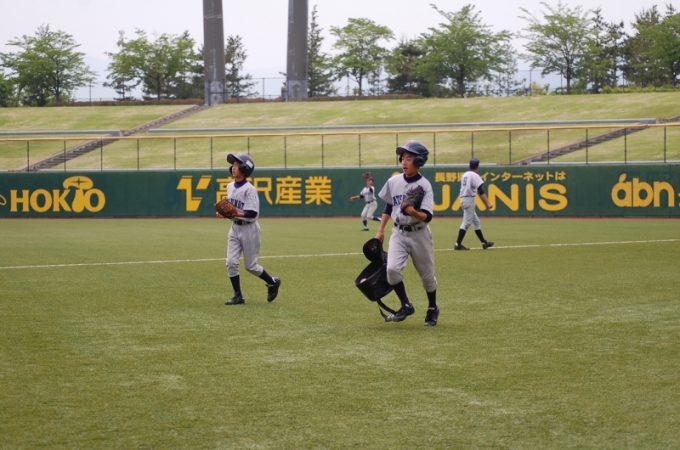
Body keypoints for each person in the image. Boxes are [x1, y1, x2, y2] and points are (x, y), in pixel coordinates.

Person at [375, 140, 439, 326]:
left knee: (427, 276)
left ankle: (432, 307)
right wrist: (380, 230)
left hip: (420, 233)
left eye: (409, 158)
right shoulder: (394, 181)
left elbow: (427, 217)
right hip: (398, 232)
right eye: (403, 158)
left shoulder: (424, 186)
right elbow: (389, 206)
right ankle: (406, 305)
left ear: (419, 161)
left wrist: (411, 211)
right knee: (391, 270)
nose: (404, 162)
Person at [217, 153, 281, 305]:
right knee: (231, 262)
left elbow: (252, 213)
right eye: (232, 165)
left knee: (251, 266)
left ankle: (272, 282)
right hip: (235, 228)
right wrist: (225, 214)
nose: (233, 167)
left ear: (245, 168)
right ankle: (238, 296)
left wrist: (235, 213)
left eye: (237, 165)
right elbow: (232, 209)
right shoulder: (230, 186)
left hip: (249, 230)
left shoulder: (249, 189)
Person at [454, 158, 495, 251]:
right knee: (466, 223)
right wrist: (488, 202)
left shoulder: (465, 174)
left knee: (476, 222)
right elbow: (480, 190)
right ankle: (458, 244)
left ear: (469, 166)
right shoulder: (475, 175)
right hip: (469, 200)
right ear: (477, 167)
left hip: (463, 199)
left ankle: (484, 242)